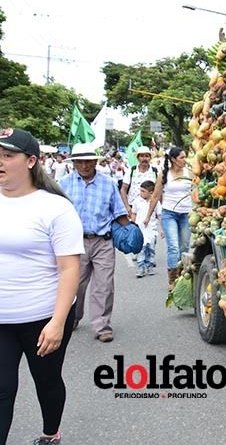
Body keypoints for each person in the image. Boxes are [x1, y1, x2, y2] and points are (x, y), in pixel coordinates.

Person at [0, 128, 84, 445]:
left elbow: (69, 268)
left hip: (42, 318)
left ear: (31, 161)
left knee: (46, 382)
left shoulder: (55, 208)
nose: (1, 162)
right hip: (2, 320)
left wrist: (58, 322)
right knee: (2, 390)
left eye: (8, 155)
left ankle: (51, 435)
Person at [59, 143, 128, 343]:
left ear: (95, 162)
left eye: (88, 161)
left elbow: (118, 212)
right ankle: (72, 318)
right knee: (74, 285)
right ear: (74, 164)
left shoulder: (108, 184)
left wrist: (130, 231)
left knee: (104, 285)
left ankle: (101, 325)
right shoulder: (63, 184)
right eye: (80, 161)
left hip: (102, 242)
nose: (84, 165)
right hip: (74, 243)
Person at [146, 146, 192, 289]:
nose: (185, 160)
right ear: (173, 159)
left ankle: (182, 276)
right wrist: (148, 216)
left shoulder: (190, 173)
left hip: (186, 214)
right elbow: (155, 196)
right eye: (182, 158)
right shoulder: (164, 175)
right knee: (173, 247)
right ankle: (172, 280)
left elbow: (197, 191)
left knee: (184, 246)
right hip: (169, 214)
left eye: (185, 157)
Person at [131, 180, 163, 278]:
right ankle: (141, 268)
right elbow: (134, 213)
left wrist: (162, 229)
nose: (141, 193)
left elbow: (159, 216)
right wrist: (133, 226)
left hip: (151, 230)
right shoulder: (137, 201)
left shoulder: (155, 203)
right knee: (141, 249)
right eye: (140, 191)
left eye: (143, 191)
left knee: (150, 249)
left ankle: (149, 266)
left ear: (151, 193)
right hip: (140, 230)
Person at [120, 146, 158, 213]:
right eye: (142, 156)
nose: (144, 159)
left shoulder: (155, 171)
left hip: (151, 208)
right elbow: (123, 189)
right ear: (138, 158)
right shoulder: (131, 170)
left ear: (150, 158)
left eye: (147, 156)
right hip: (133, 208)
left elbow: (159, 191)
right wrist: (127, 207)